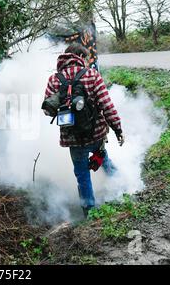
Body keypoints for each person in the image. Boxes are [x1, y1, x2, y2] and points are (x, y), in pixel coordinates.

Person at [43, 44, 124, 217]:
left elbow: (47, 110)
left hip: (73, 139)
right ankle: (123, 189)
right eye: (86, 57)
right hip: (95, 134)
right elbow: (107, 106)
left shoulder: (54, 79)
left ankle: (89, 211)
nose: (87, 61)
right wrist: (118, 129)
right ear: (79, 56)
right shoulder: (92, 75)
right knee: (104, 160)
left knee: (82, 174)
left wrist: (62, 100)